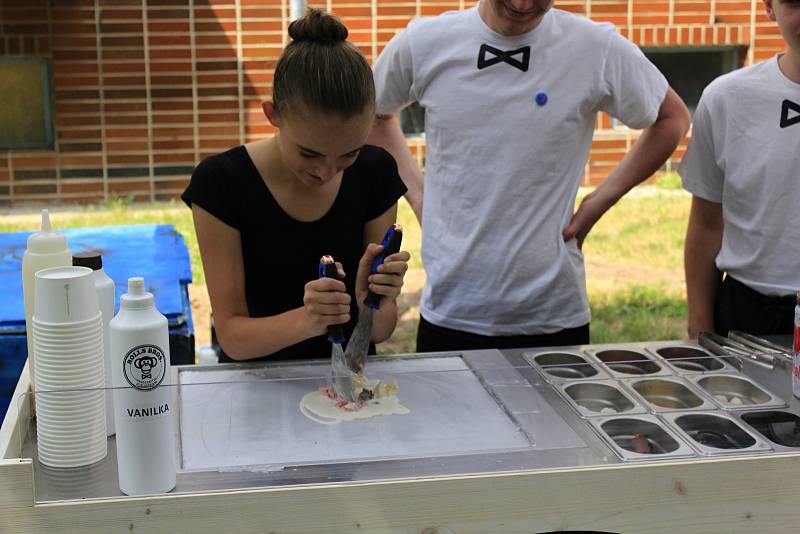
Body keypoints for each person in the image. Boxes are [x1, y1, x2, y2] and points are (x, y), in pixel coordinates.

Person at [368, 0, 691, 352]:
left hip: (553, 315)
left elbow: (672, 118)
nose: (523, 4)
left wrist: (597, 202)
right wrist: (418, 195)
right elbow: (373, 113)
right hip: (452, 310)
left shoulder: (595, 48)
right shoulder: (424, 42)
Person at [182, 9, 410, 361]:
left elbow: (378, 331)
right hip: (256, 388)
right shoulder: (221, 183)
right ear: (272, 115)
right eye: (309, 153)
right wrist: (309, 320)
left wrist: (373, 300)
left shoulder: (375, 172)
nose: (327, 172)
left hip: (348, 390)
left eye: (349, 154)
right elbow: (233, 339)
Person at [681, 0, 800, 339]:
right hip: (745, 314)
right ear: (769, 7)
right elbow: (705, 223)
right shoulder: (727, 98)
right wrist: (700, 325)